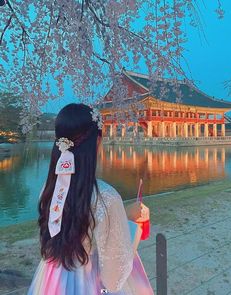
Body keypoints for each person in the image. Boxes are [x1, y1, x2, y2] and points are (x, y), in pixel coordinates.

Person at [27, 103, 154, 295]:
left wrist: (121, 215)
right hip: (89, 283)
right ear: (97, 142)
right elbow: (114, 277)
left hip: (52, 280)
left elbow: (77, 222)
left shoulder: (48, 189)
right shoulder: (106, 197)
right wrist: (129, 224)